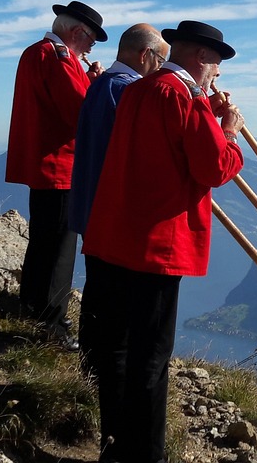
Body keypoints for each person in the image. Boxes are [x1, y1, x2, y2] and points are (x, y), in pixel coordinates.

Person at [82, 20, 244, 463]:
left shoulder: (140, 88)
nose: (217, 73)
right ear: (200, 58)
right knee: (151, 359)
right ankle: (145, 455)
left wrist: (208, 113)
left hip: (114, 236)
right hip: (156, 247)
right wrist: (228, 128)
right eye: (216, 63)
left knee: (115, 348)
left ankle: (113, 445)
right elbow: (215, 167)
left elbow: (162, 146)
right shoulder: (185, 96)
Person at [64, 23, 170, 361]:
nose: (161, 69)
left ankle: (91, 368)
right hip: (114, 213)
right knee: (117, 304)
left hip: (91, 206)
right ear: (145, 55)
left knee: (99, 293)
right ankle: (104, 374)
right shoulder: (127, 92)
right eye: (161, 60)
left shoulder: (101, 86)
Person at [5, 0, 106, 333]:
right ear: (77, 32)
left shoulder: (39, 52)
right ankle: (50, 324)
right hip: (60, 166)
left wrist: (87, 78)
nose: (91, 46)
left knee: (43, 243)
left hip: (45, 164)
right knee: (59, 250)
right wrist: (98, 88)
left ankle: (31, 310)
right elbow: (79, 112)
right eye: (91, 39)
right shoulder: (59, 58)